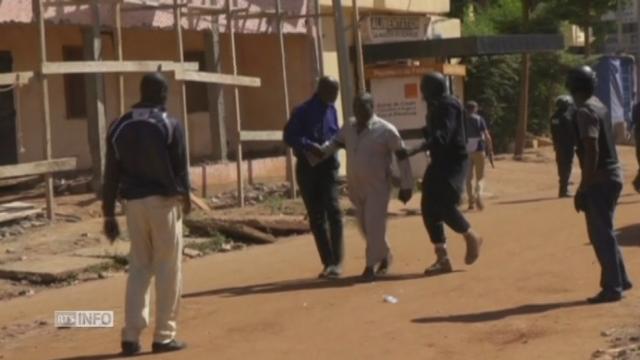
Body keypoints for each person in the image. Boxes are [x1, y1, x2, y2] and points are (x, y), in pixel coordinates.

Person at [103, 72, 190, 355]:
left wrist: (108, 215)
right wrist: (185, 199)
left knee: (139, 267)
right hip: (164, 204)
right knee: (167, 268)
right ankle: (164, 336)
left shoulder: (119, 126)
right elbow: (181, 170)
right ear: (162, 94)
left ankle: (130, 336)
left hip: (133, 206)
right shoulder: (169, 124)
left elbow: (111, 175)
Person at [309, 93, 414, 282]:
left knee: (374, 224)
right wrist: (318, 153)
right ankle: (385, 254)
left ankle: (369, 267)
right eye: (356, 106)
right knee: (365, 227)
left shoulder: (386, 130)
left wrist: (406, 185)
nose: (360, 110)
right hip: (356, 186)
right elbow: (334, 143)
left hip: (378, 186)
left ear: (372, 107)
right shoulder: (349, 126)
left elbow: (402, 156)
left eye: (364, 106)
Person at [405, 72, 483, 276]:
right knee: (428, 206)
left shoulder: (448, 105)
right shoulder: (436, 105)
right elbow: (434, 132)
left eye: (424, 88)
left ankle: (471, 235)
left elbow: (443, 135)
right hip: (440, 161)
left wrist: (415, 149)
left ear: (431, 89)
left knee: (445, 203)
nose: (421, 92)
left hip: (453, 161)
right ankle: (442, 257)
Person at [567, 65, 632, 304]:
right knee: (606, 230)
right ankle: (621, 279)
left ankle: (613, 287)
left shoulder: (584, 111)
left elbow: (591, 148)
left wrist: (583, 186)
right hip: (613, 173)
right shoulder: (599, 105)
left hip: (600, 178)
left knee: (600, 233)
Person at [283, 76, 344, 279]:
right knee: (317, 217)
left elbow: (335, 132)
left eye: (337, 92)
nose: (336, 96)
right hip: (308, 168)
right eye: (333, 91)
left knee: (334, 211)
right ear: (321, 90)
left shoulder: (332, 110)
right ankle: (328, 262)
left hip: (328, 167)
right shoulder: (302, 111)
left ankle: (338, 261)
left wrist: (336, 143)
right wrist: (310, 146)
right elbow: (289, 136)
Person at [464, 101, 493, 210]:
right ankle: (478, 194)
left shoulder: (462, 120)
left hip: (466, 151)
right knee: (480, 177)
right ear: (475, 108)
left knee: (468, 178)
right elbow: (486, 135)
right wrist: (490, 148)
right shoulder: (479, 119)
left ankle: (470, 201)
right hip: (479, 149)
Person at [550, 95, 577, 197]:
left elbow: (553, 132)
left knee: (561, 166)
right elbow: (572, 132)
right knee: (567, 166)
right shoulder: (566, 117)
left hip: (558, 146)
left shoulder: (553, 117)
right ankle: (564, 190)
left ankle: (563, 188)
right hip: (567, 146)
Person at [631, 101, 640, 192]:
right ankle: (637, 183)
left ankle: (637, 183)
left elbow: (633, 121)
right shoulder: (637, 107)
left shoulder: (636, 106)